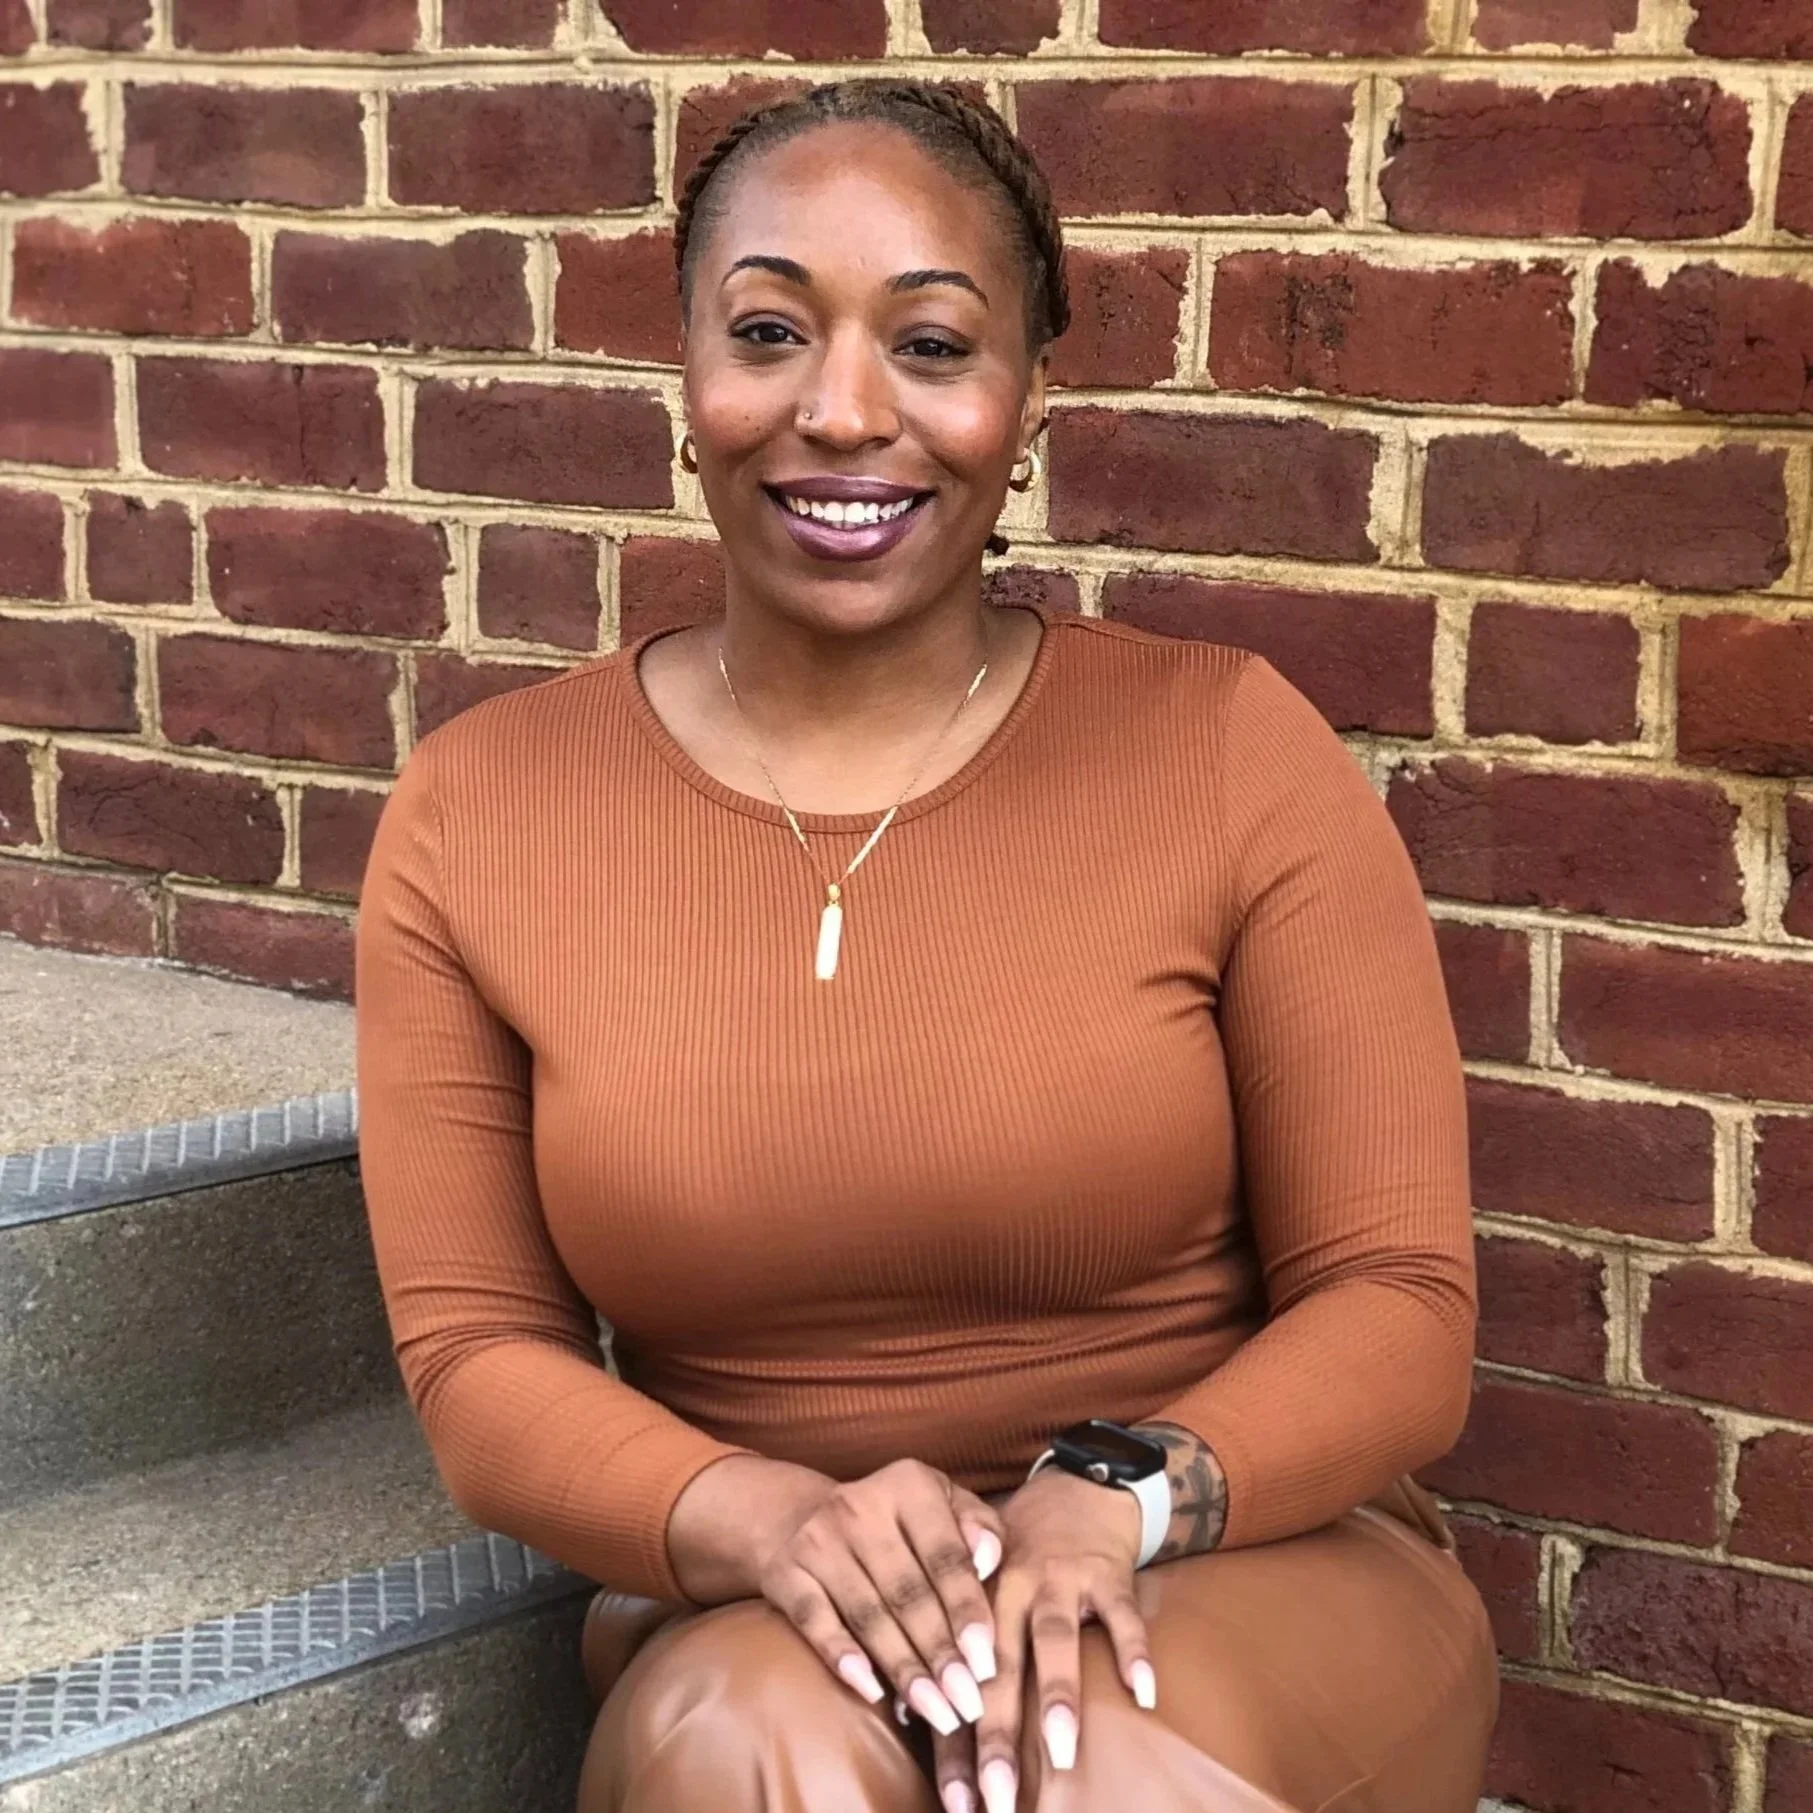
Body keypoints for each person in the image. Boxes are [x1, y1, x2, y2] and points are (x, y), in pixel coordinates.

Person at [354, 79, 1498, 1813]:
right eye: (767, 332)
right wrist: (774, 1519)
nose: (839, 410)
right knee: (749, 1758)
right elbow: (477, 1366)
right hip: (774, 1587)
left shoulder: (1229, 754)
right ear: (686, 382)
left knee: (1080, 1766)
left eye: (933, 346)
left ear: (1026, 403)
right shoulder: (479, 813)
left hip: (1229, 1546)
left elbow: (1401, 1306)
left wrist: (1110, 1489)